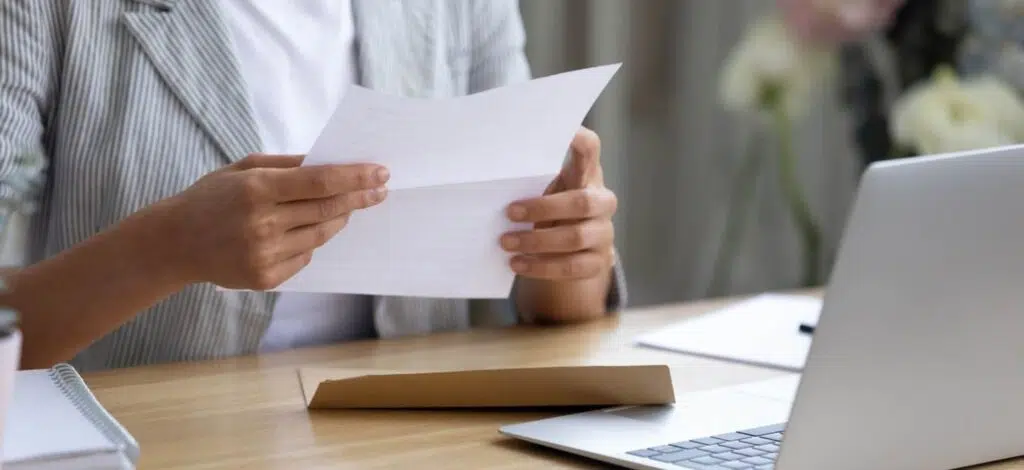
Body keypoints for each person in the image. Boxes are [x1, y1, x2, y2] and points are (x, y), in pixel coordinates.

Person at [0, 0, 627, 371]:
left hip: (415, 440)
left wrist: (571, 255)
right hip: (157, 441)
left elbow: (550, 308)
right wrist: (169, 246)